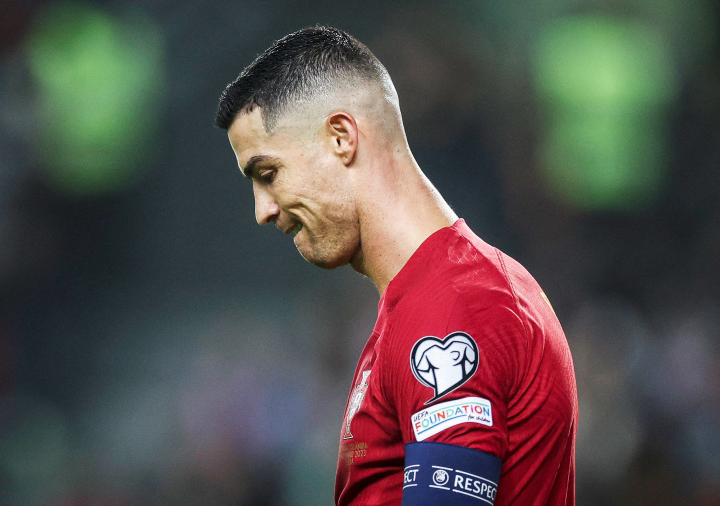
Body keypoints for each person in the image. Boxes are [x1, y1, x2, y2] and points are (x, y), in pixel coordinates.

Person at [216, 26, 577, 506]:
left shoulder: (454, 308)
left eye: (268, 174)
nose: (263, 210)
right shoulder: (432, 299)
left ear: (341, 137)